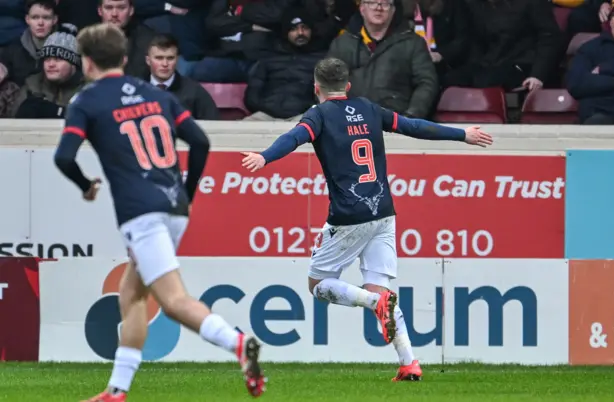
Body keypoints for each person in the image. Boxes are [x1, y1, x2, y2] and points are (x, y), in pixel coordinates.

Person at [241, 57, 493, 382]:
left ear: (315, 87)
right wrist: (462, 134)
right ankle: (409, 363)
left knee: (318, 285)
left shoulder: (318, 116)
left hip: (348, 216)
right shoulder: (370, 109)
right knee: (382, 288)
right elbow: (414, 126)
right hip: (384, 212)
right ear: (347, 86)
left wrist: (264, 156)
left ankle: (374, 303)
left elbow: (294, 138)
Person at [53, 23, 266, 402]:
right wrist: (187, 193)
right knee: (131, 295)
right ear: (123, 58)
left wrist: (87, 186)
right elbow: (200, 141)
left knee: (173, 301)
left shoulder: (86, 101)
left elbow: (63, 157)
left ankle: (237, 343)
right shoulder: (157, 96)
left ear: (86, 63)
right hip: (174, 206)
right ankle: (117, 390)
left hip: (141, 211)